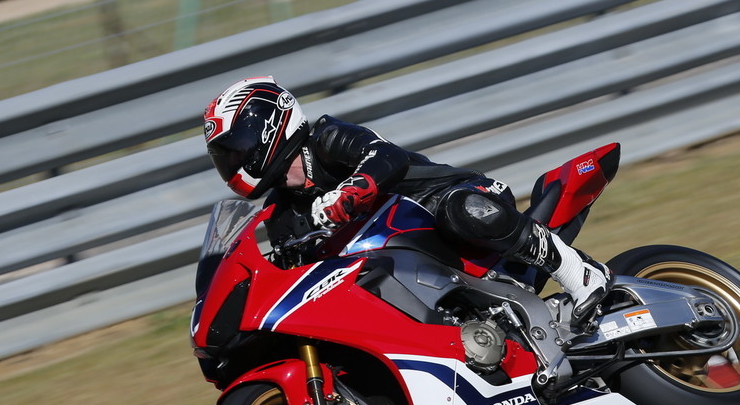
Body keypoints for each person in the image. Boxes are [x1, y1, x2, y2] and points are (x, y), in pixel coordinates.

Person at [201, 75, 613, 331]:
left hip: (447, 203)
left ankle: (578, 272)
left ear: (268, 127)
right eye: (225, 157)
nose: (233, 163)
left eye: (236, 150)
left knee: (460, 210)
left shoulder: (327, 140)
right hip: (395, 264)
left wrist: (351, 191)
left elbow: (387, 157)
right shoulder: (283, 212)